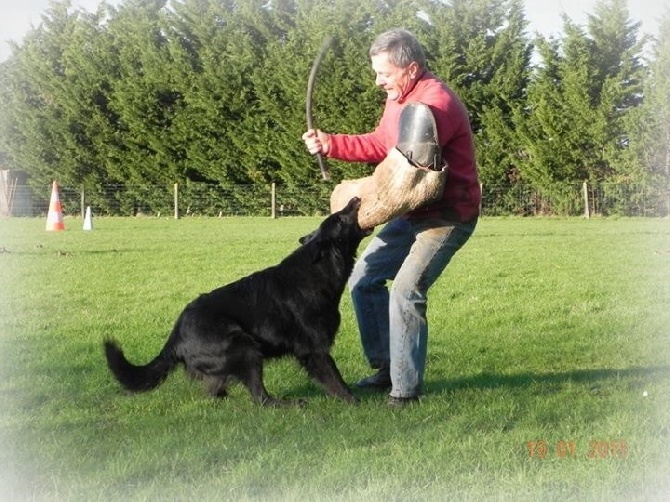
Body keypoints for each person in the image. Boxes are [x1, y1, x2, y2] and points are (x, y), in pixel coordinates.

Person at [302, 28, 481, 406]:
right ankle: (386, 368)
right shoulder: (399, 100)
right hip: (414, 211)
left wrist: (361, 209)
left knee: (405, 290)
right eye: (376, 73)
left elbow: (407, 173)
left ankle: (405, 392)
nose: (378, 81)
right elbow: (381, 144)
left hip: (448, 215)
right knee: (363, 278)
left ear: (411, 69)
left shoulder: (434, 105)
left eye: (384, 73)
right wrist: (330, 143)